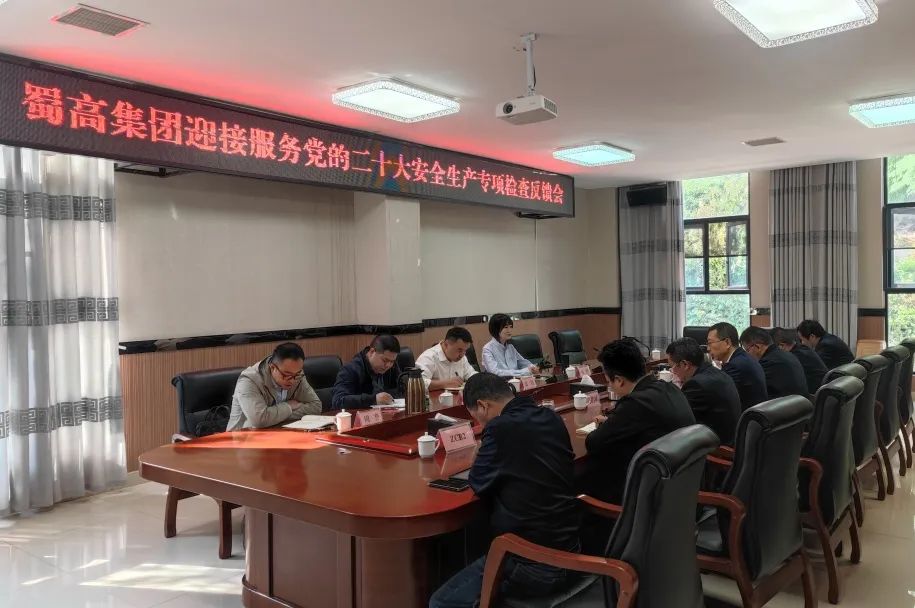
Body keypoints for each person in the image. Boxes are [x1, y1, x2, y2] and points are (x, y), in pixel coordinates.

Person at [428, 373, 581, 608]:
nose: (480, 424)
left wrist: (480, 453)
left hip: (532, 563)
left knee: (440, 603)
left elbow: (478, 482)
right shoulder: (550, 416)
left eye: (477, 418)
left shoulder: (500, 428)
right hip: (570, 549)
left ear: (483, 405)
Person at [579, 339, 695, 504]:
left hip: (650, 500)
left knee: (583, 475)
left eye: (608, 381)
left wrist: (610, 424)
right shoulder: (668, 388)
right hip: (679, 491)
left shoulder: (636, 402)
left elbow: (593, 443)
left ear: (619, 380)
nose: (610, 386)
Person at [227, 342, 322, 430]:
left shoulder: (296, 374)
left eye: (297, 374)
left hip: (277, 433)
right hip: (241, 438)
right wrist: (288, 406)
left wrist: (274, 417)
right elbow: (259, 420)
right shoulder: (249, 380)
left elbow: (316, 406)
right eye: (286, 375)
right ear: (272, 367)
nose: (292, 380)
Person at [666, 337, 741, 445]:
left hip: (718, 449)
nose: (672, 372)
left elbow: (679, 419)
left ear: (685, 364)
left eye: (672, 367)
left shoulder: (696, 385)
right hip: (732, 439)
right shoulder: (714, 371)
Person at [707, 322, 768, 411]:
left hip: (747, 417)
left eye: (710, 343)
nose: (708, 348)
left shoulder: (735, 366)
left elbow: (717, 395)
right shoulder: (743, 358)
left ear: (727, 342)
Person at [332, 334, 403, 409]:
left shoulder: (391, 365)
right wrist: (373, 399)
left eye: (392, 361)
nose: (388, 365)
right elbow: (338, 401)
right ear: (372, 352)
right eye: (384, 360)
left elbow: (402, 389)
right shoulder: (350, 370)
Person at [740, 326, 809, 399]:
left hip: (785, 405)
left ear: (757, 347)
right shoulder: (787, 355)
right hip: (801, 404)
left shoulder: (767, 363)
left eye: (747, 350)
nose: (747, 355)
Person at [773, 327, 827, 395]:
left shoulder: (793, 357)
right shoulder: (803, 349)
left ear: (781, 346)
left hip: (813, 395)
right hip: (822, 391)